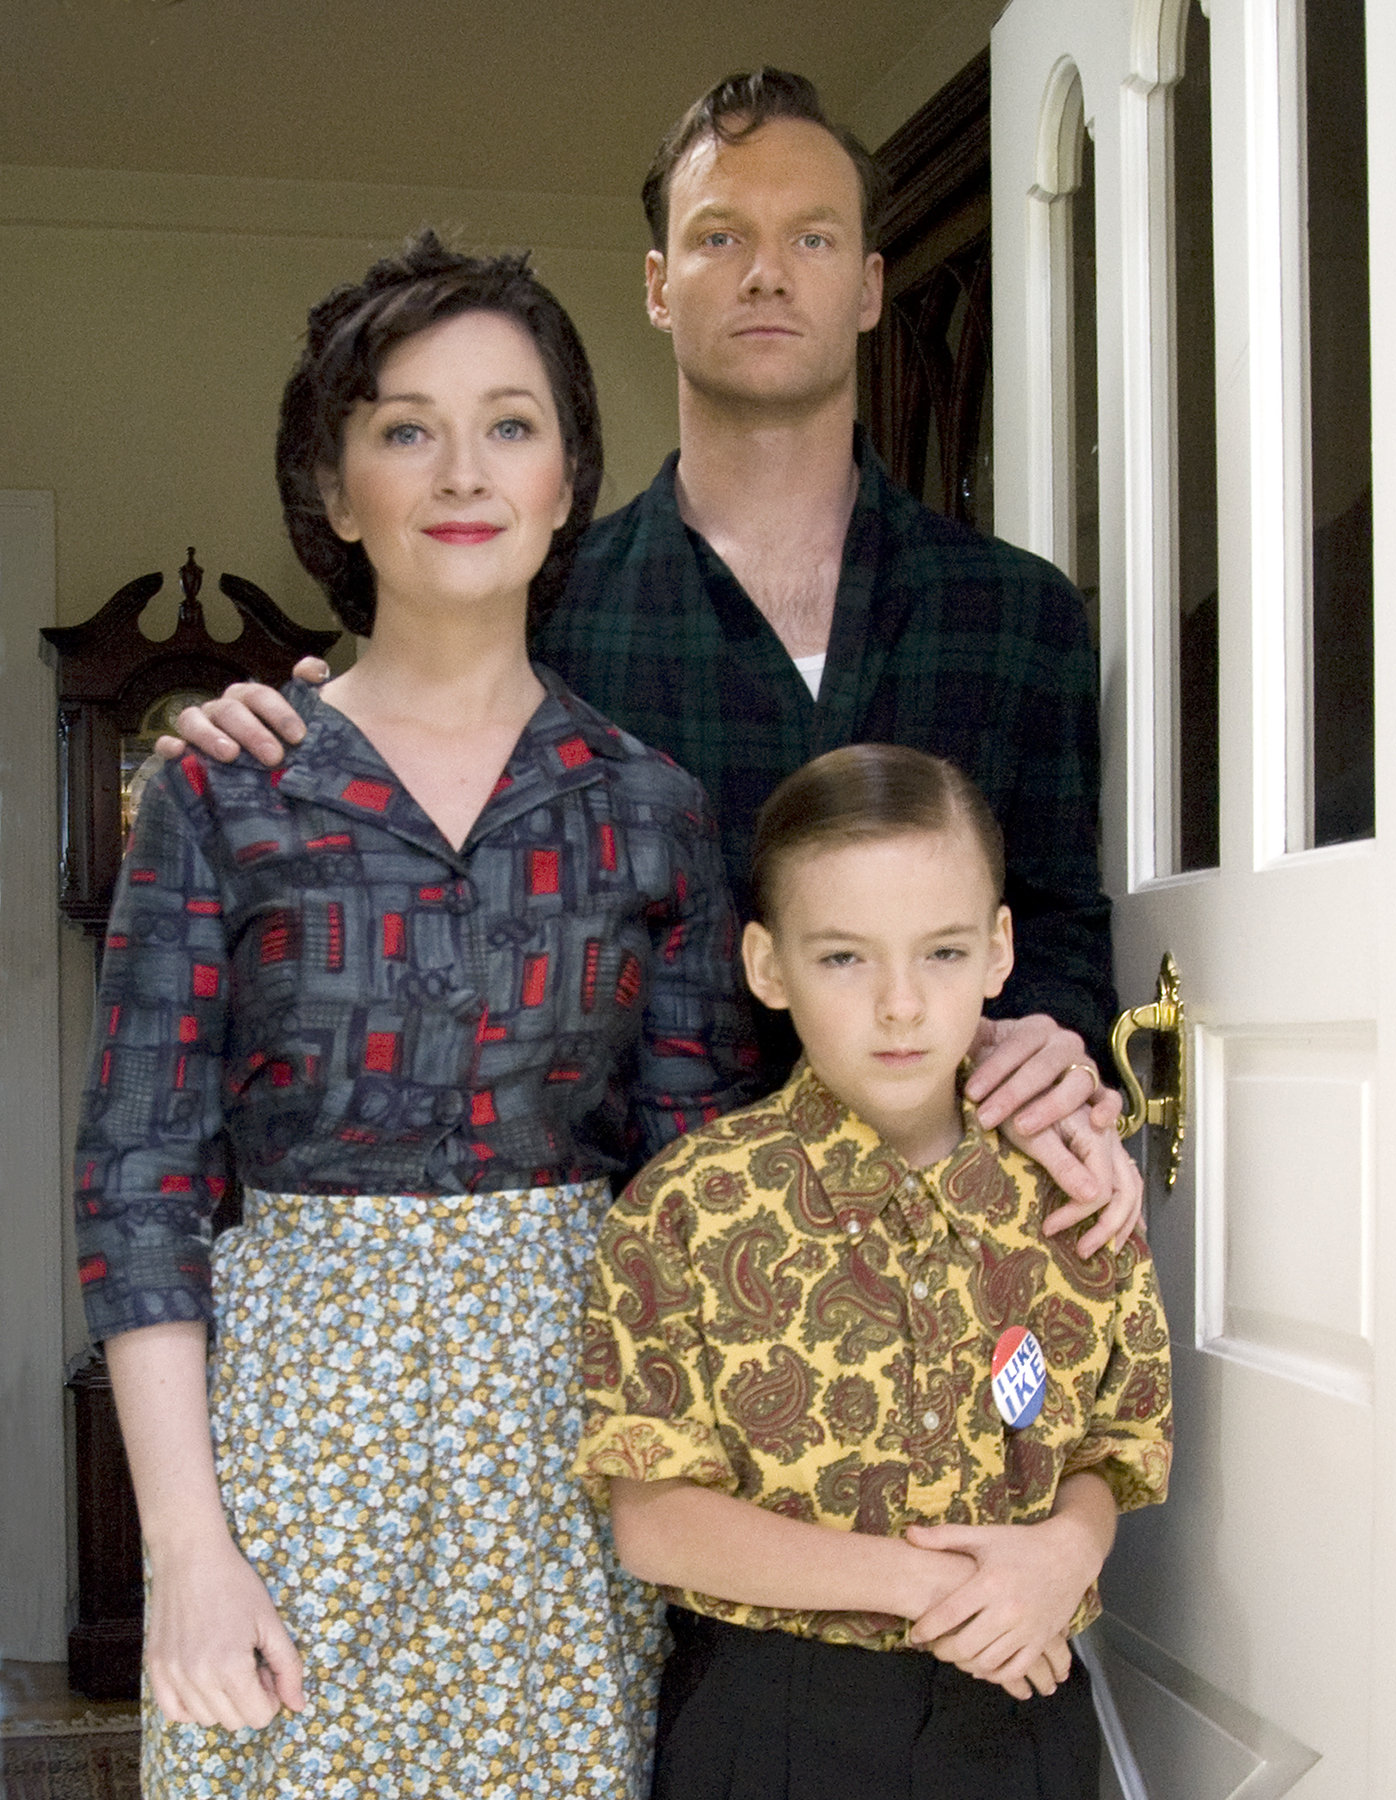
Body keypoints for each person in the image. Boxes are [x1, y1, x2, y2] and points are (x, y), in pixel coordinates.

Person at [159, 68, 1140, 1259]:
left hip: (958, 1248)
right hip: (651, 1279)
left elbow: (1059, 928)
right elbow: (402, 771)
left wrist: (1055, 1030)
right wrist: (279, 731)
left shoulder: (1018, 616)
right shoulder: (545, 604)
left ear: (872, 286)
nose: (768, 272)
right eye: (720, 236)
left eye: (813, 237)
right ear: (659, 287)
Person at [74, 234, 755, 1799]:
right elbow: (139, 1178)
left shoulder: (648, 808)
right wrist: (185, 1547)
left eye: (511, 423)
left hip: (572, 1450)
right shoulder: (222, 792)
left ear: (573, 476)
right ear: (333, 486)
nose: (463, 469)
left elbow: (699, 1194)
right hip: (290, 1446)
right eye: (405, 427)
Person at [575, 743, 1172, 1800]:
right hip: (775, 1725)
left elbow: (1114, 1445)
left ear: (998, 952)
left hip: (1022, 1704)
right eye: (845, 958)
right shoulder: (686, 1208)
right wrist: (945, 1591)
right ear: (768, 967)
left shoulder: (1078, 1194)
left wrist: (1063, 1556)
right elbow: (655, 1520)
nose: (900, 1005)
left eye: (940, 953)